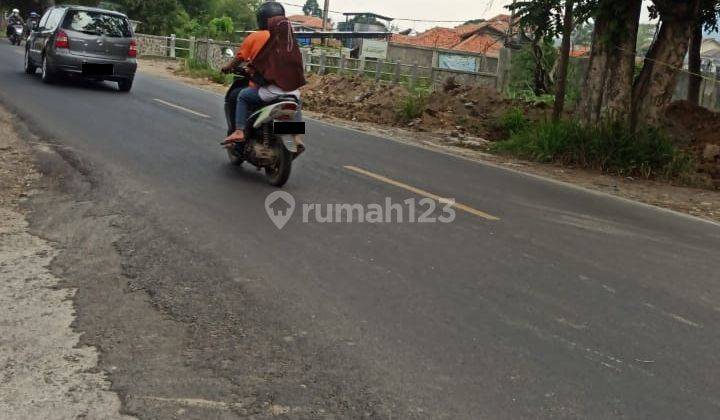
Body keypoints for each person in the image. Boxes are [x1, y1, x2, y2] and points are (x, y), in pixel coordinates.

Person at [220, 1, 306, 148]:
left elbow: (251, 61)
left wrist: (233, 68)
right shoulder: (290, 40)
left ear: (262, 19)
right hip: (293, 91)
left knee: (242, 96)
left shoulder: (261, 38)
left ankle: (239, 131)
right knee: (296, 103)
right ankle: (296, 137)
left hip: (269, 90)